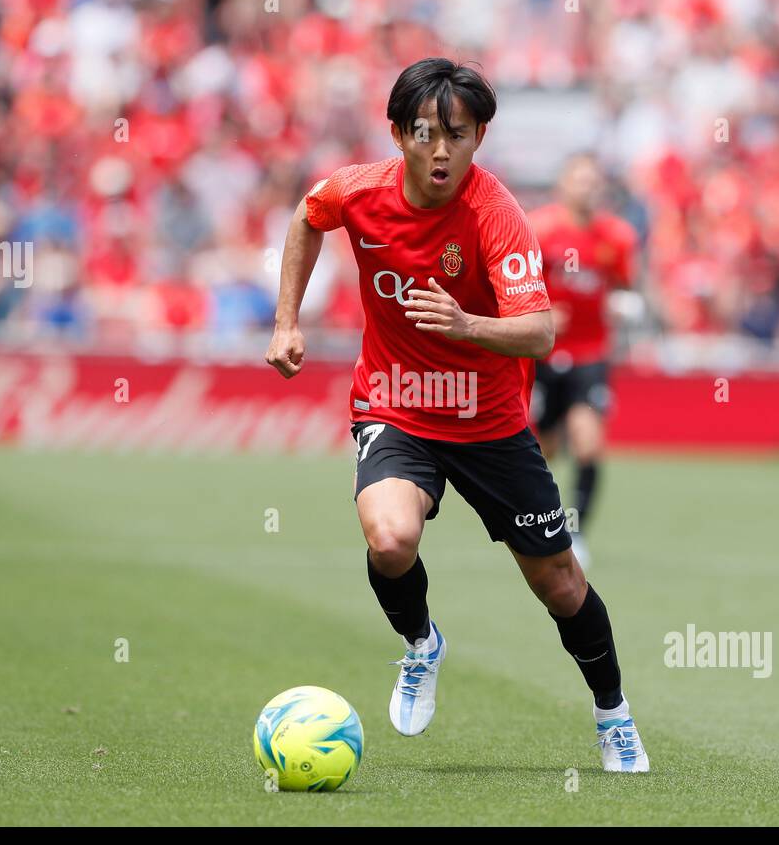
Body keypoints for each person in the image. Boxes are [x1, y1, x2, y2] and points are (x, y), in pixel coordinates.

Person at [264, 58, 649, 771]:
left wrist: (466, 324)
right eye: (425, 133)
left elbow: (540, 332)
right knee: (389, 540)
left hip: (491, 424)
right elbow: (308, 216)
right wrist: (287, 319)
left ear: (479, 138)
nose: (441, 150)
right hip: (396, 406)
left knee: (560, 585)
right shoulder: (358, 190)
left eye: (458, 135)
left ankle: (613, 714)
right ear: (398, 134)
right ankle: (421, 644)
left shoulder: (497, 215)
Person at [530, 154, 638, 569]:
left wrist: (621, 305)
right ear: (563, 185)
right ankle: (540, 524)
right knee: (545, 450)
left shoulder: (617, 237)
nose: (587, 188)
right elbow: (517, 284)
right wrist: (542, 314)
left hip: (591, 355)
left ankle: (575, 533)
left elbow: (624, 285)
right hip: (543, 353)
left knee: (588, 442)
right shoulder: (540, 230)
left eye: (594, 181)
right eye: (580, 180)